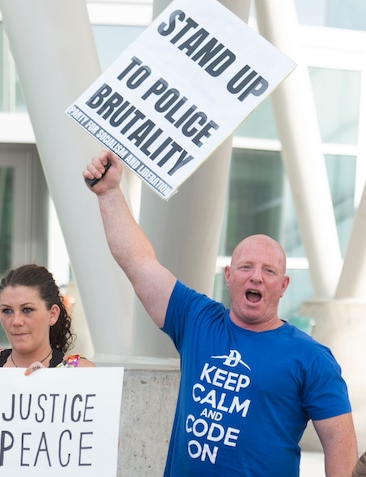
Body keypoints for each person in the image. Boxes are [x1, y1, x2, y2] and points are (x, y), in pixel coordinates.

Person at [83, 150, 357, 476]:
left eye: (268, 271)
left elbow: (341, 447)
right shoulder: (197, 319)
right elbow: (139, 263)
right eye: (245, 267)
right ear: (228, 276)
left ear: (283, 285)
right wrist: (109, 192)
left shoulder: (311, 357)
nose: (256, 276)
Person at [0, 264, 95, 374]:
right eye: (7, 311)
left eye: (27, 310)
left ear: (53, 314)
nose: (16, 321)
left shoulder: (81, 373)